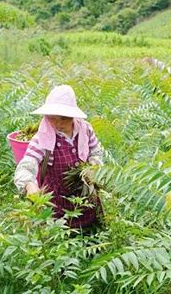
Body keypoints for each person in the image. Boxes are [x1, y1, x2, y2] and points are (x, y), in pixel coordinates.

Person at [14, 85, 104, 229]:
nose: (58, 124)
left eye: (63, 118)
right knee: (64, 238)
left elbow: (96, 151)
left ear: (73, 116)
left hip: (86, 196)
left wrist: (93, 168)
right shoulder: (42, 139)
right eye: (53, 118)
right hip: (58, 202)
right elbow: (26, 165)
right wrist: (29, 185)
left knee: (91, 233)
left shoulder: (85, 130)